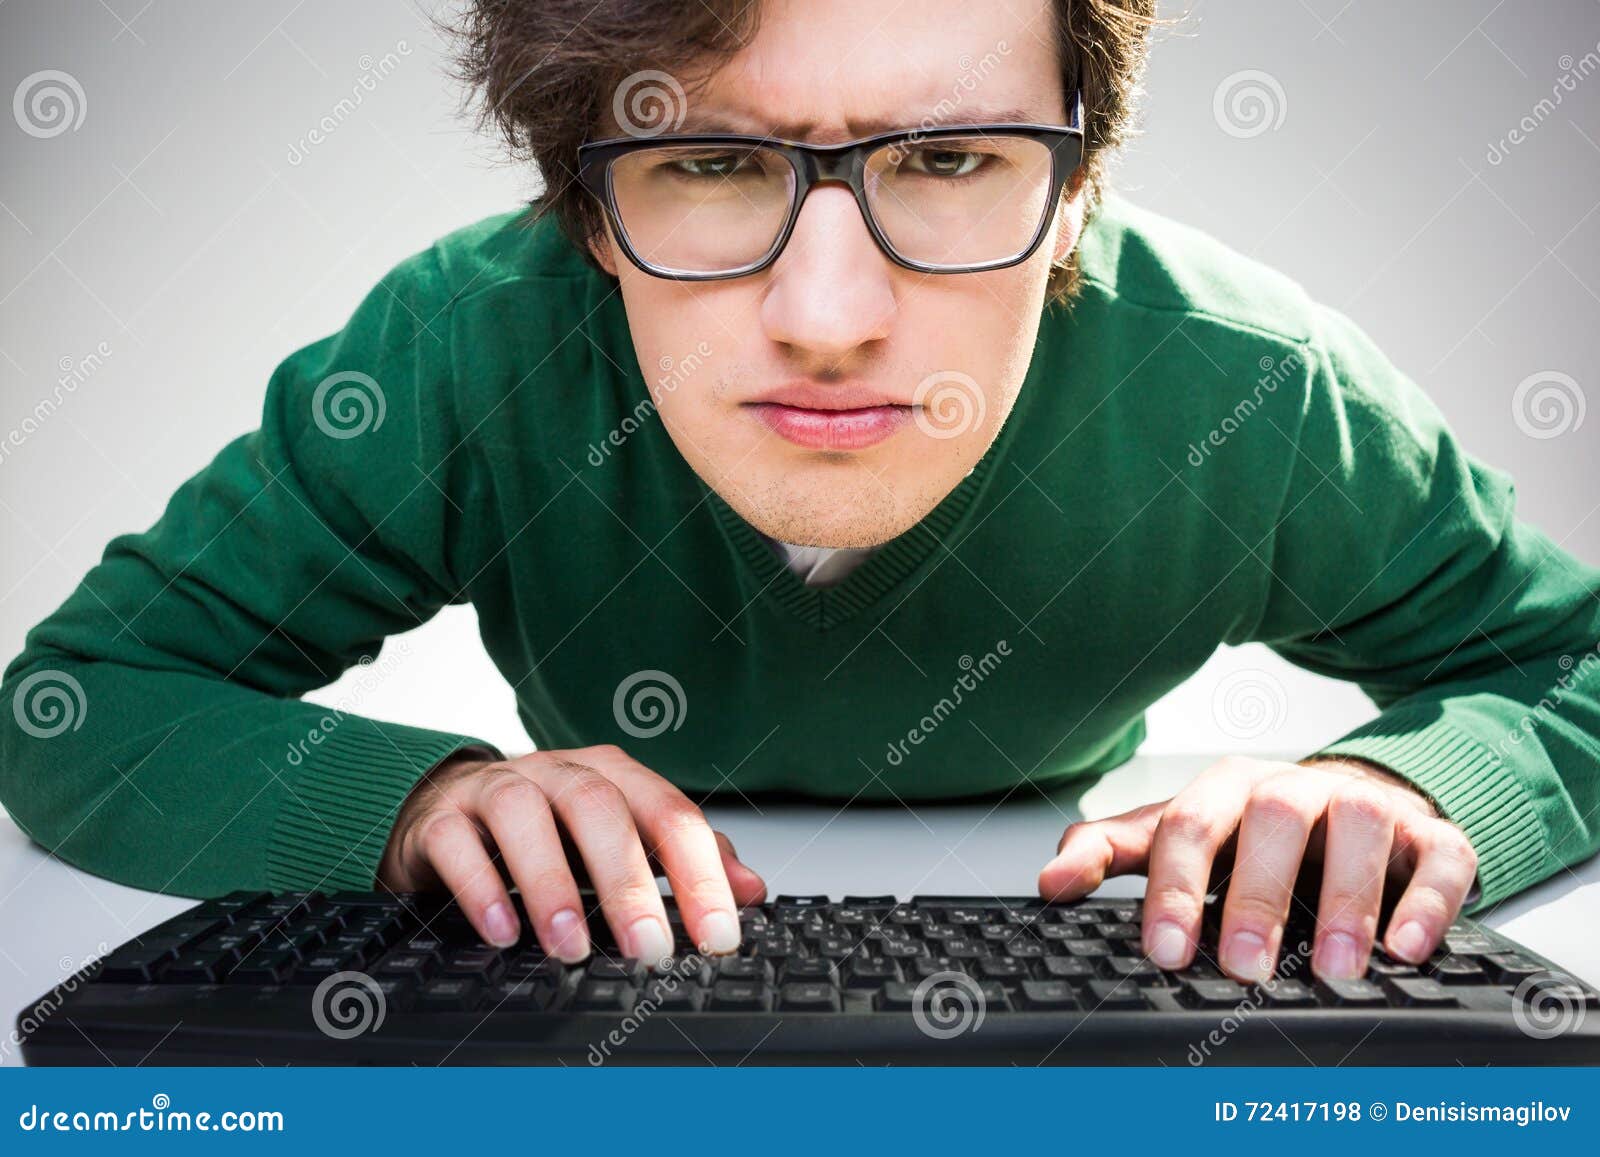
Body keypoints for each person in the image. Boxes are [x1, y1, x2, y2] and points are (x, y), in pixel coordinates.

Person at [3, 0, 1597, 987]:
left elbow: (1575, 669)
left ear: (1080, 184)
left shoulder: (1247, 386)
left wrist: (1414, 787)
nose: (828, 318)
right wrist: (412, 804)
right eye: (706, 162)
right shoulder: (456, 352)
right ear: (581, 207)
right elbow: (76, 698)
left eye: (956, 157)